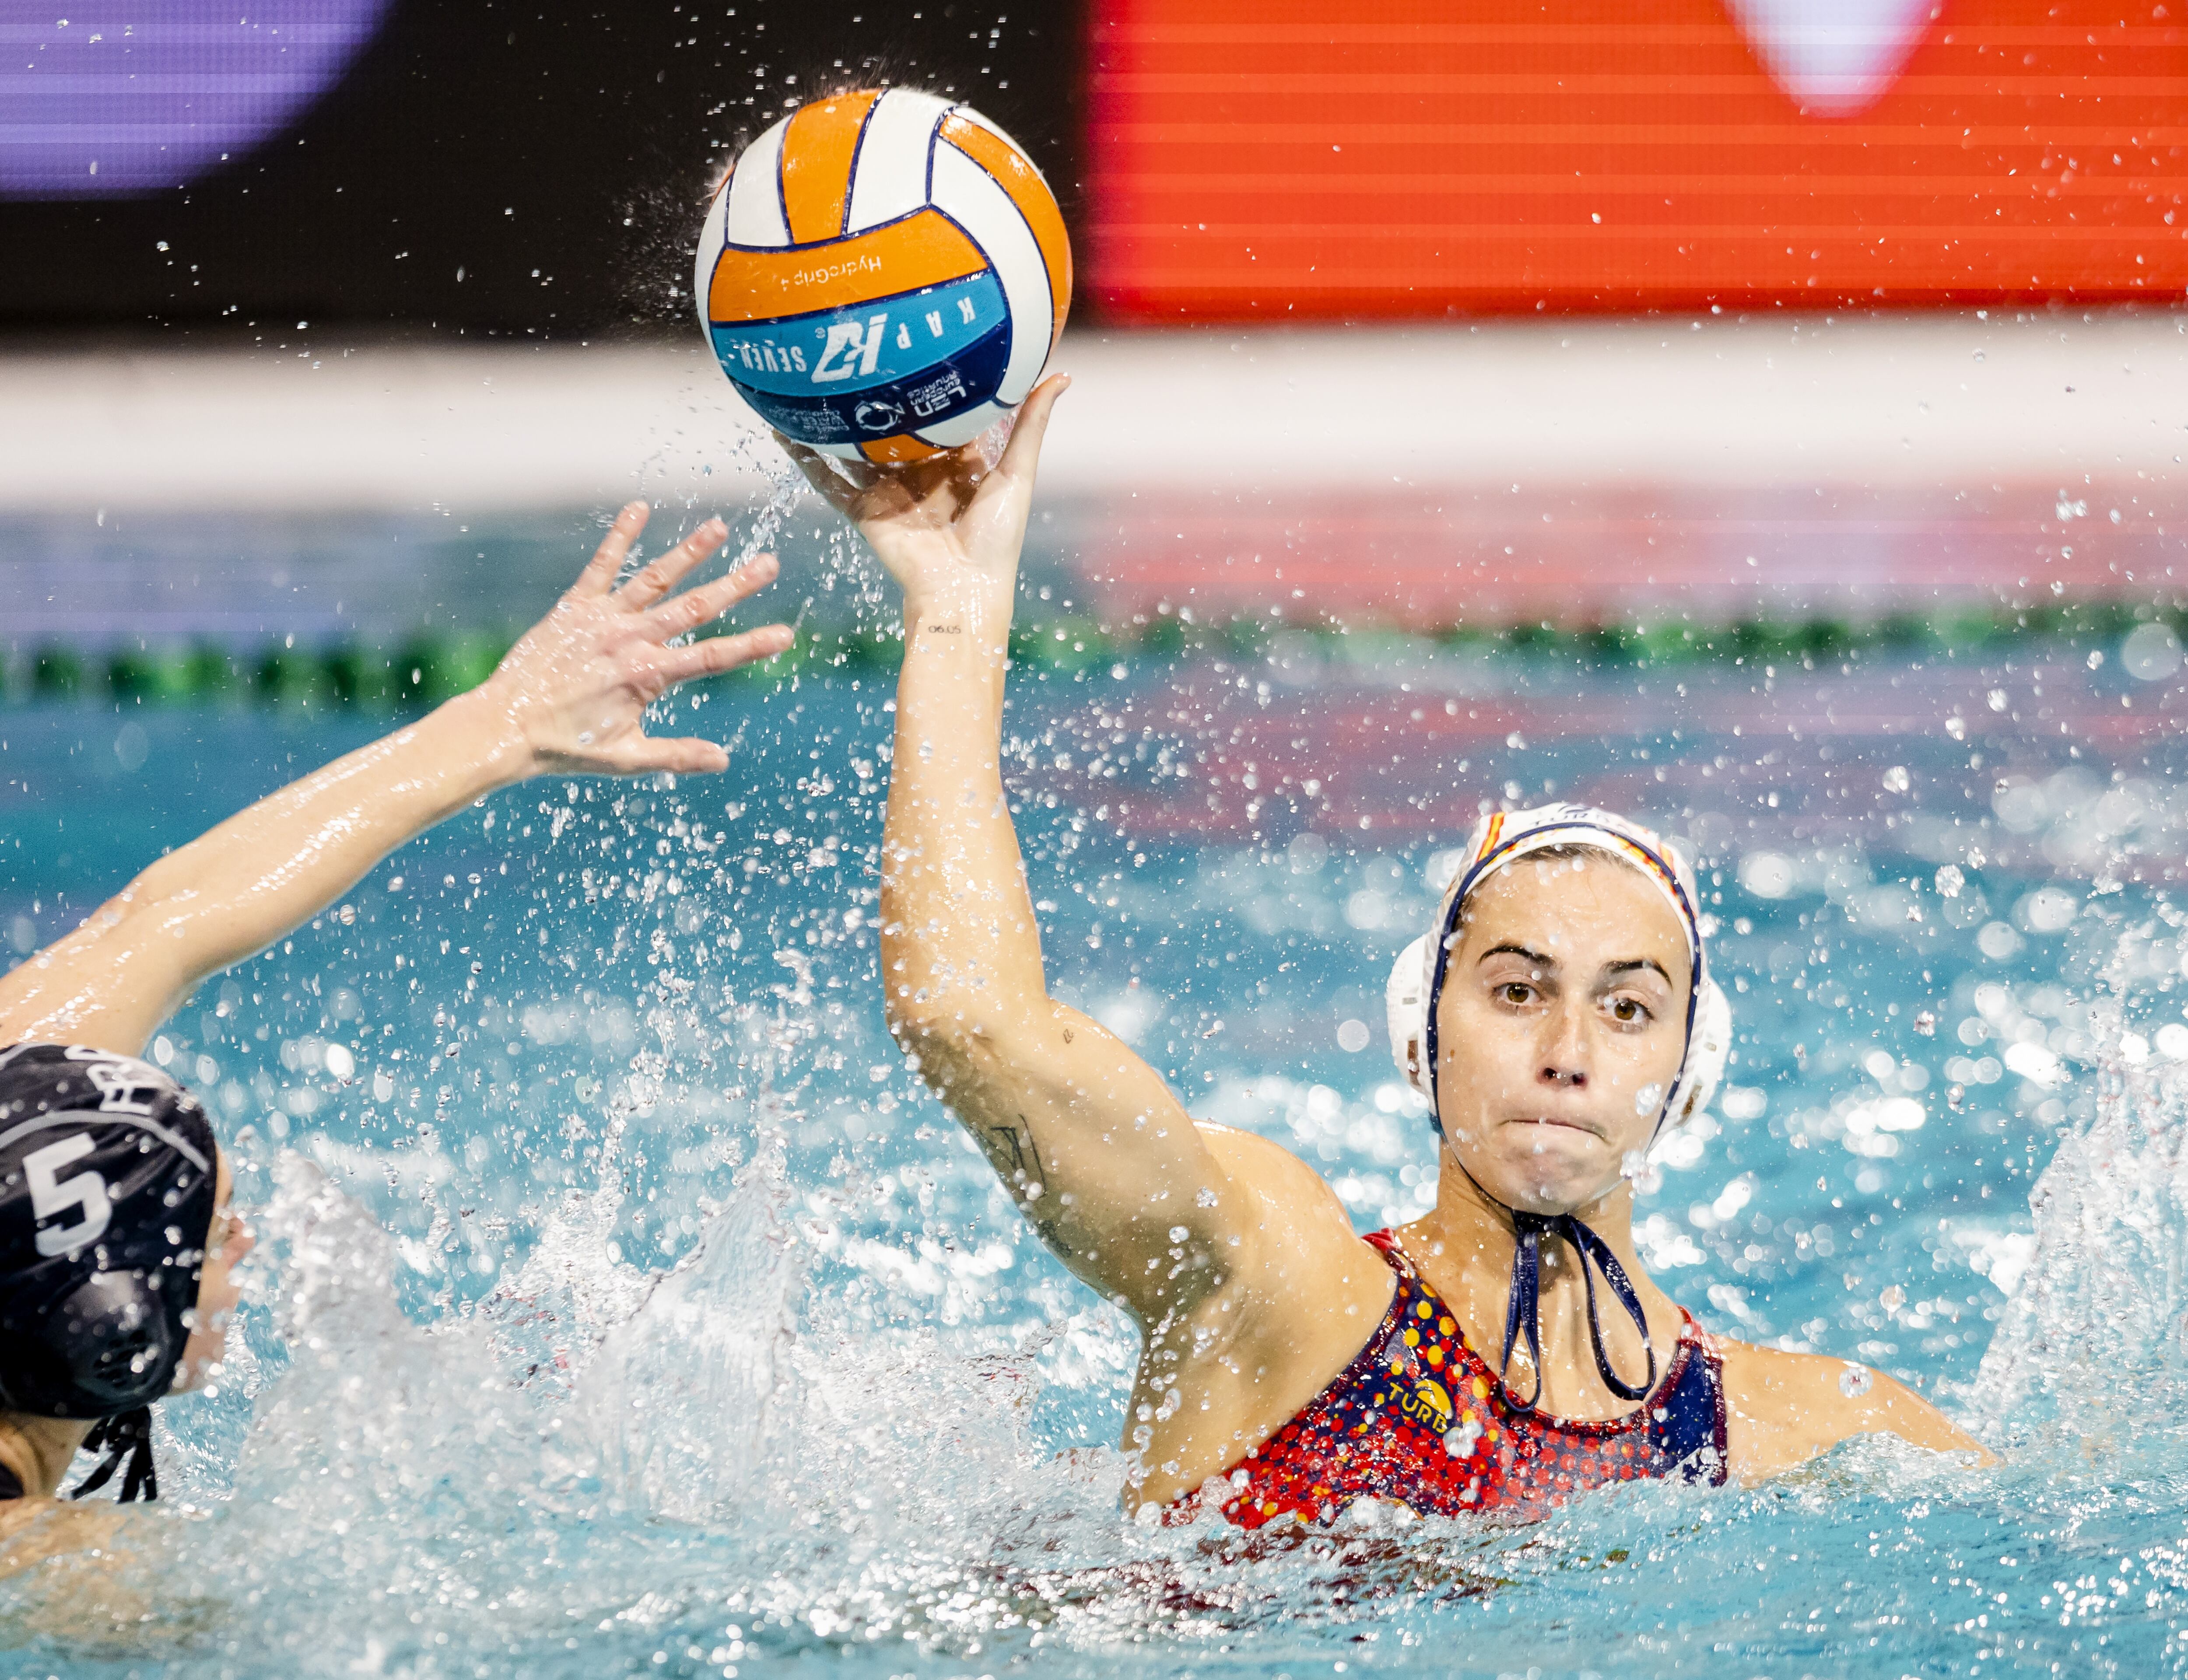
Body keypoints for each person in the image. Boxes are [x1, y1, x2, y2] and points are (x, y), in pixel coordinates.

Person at [783, 376, 1991, 1526]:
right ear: (1422, 1032)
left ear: (1691, 1070)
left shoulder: (1801, 1434)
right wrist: (954, 618)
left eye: (1628, 1010)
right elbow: (969, 1022)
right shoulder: (1278, 1292)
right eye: (1517, 991)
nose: (1569, 1052)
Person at [0, 505, 789, 1557]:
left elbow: (161, 924)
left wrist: (502, 723)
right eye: (211, 1222)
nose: (247, 1243)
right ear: (111, 1317)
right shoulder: (49, 1565)